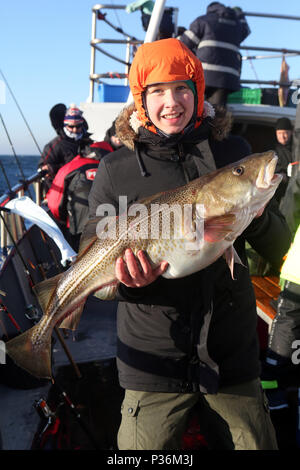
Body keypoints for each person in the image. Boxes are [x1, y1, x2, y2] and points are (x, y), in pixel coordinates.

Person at [88, 38, 291, 450]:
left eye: (182, 87)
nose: (172, 102)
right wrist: (128, 281)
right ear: (140, 100)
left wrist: (252, 213)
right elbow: (95, 244)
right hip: (152, 360)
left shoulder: (232, 150)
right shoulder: (116, 168)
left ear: (198, 91)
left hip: (232, 354)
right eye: (157, 91)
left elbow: (279, 246)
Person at [179, 2, 250, 106]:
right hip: (227, 78)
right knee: (217, 114)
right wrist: (240, 15)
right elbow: (246, 31)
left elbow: (185, 44)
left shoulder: (203, 20)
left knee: (196, 109)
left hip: (204, 74)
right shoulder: (237, 24)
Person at [46, 141, 113, 251]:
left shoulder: (70, 167)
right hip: (112, 228)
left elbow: (54, 203)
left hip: (79, 229)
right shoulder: (116, 165)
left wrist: (64, 220)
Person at [38, 104, 93, 189]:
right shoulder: (54, 146)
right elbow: (43, 168)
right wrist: (51, 169)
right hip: (64, 190)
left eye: (78, 126)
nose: (75, 129)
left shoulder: (89, 142)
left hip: (87, 188)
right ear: (65, 125)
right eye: (71, 126)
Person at [273, 117, 294, 204]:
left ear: (291, 132)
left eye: (285, 133)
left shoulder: (296, 148)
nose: (282, 136)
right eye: (279, 133)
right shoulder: (271, 149)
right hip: (275, 193)